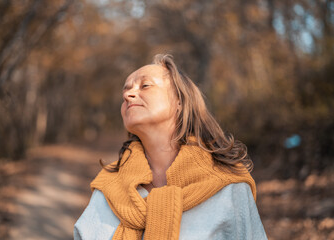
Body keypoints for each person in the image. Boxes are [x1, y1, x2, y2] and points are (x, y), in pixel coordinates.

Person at [74, 54, 268, 240]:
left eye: (145, 85)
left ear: (179, 102)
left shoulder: (228, 186)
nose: (128, 94)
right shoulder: (107, 187)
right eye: (126, 89)